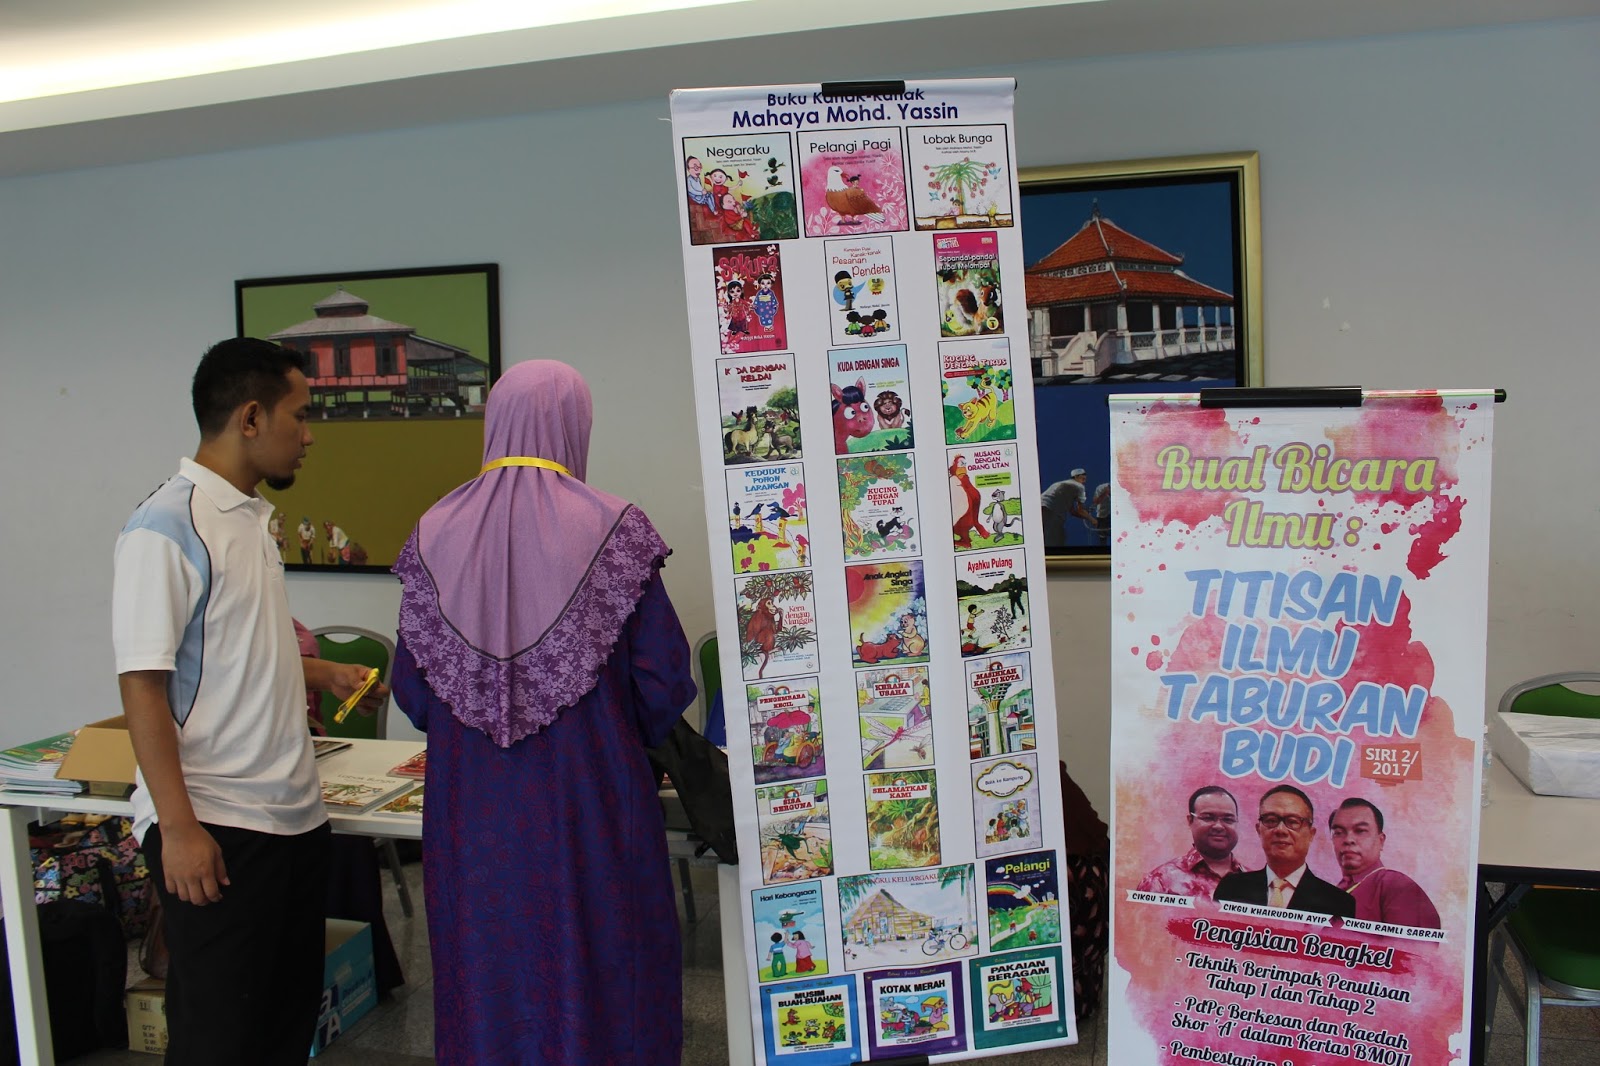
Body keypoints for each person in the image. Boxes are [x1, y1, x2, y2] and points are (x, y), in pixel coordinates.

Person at [389, 360, 694, 1065]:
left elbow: (414, 693)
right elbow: (663, 682)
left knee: (486, 970)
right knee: (603, 961)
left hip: (470, 814)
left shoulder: (432, 530)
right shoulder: (615, 530)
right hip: (591, 801)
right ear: (575, 426)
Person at [112, 337, 385, 1065]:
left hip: (291, 818)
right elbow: (142, 683)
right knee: (221, 1038)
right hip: (218, 825)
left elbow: (234, 652)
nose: (309, 435)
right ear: (252, 418)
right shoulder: (167, 527)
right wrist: (179, 828)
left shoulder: (249, 518)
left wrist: (322, 673)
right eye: (301, 415)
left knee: (284, 1027)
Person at [1213, 785, 1355, 918]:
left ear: (1311, 834)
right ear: (1259, 830)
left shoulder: (1338, 902)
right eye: (1271, 820)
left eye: (1293, 822)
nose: (1280, 830)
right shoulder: (1231, 888)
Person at [1329, 798, 1441, 929]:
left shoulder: (1397, 887)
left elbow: (1410, 942)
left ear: (1380, 841)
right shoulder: (1334, 891)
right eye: (1338, 833)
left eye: (1360, 831)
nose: (1348, 839)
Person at [1135, 785, 1245, 897]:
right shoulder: (1160, 882)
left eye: (1228, 819)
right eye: (1208, 818)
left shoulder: (1253, 883)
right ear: (1190, 821)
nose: (1218, 826)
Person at [1040, 469, 1092, 547]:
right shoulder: (1079, 486)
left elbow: (1072, 512)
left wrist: (1085, 516)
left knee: (1047, 537)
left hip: (1040, 509)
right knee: (1056, 539)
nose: (1084, 479)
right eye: (1083, 477)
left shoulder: (1060, 485)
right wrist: (1093, 520)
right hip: (1052, 512)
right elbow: (1080, 510)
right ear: (1076, 477)